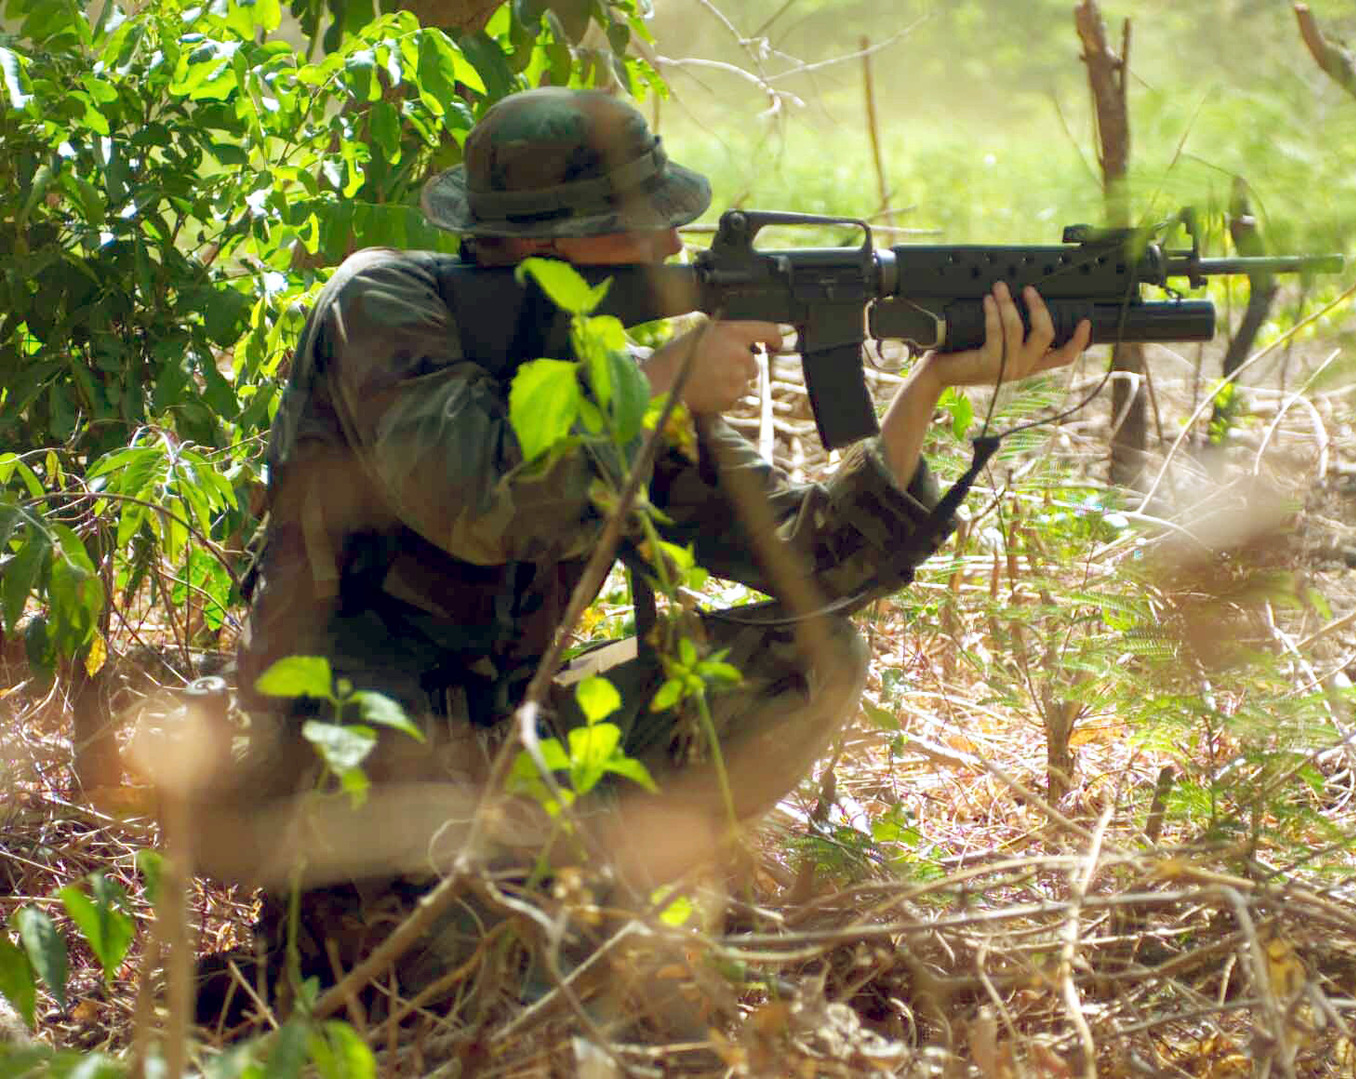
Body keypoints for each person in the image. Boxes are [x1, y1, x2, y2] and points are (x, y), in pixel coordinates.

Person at [195, 86, 1089, 1023]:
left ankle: (590, 911)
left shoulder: (607, 361)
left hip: (512, 750)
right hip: (361, 793)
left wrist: (931, 386)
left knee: (813, 656)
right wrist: (658, 384)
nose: (671, 249)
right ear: (550, 242)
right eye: (641, 226)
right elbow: (477, 502)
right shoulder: (385, 305)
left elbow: (811, 563)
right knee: (449, 1009)